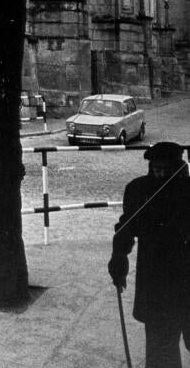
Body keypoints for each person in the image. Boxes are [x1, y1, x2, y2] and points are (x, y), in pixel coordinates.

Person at [108, 141, 190, 368]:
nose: (161, 174)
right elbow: (126, 228)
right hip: (156, 281)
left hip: (187, 278)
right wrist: (119, 257)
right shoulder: (139, 190)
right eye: (156, 169)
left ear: (179, 167)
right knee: (160, 351)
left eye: (167, 170)